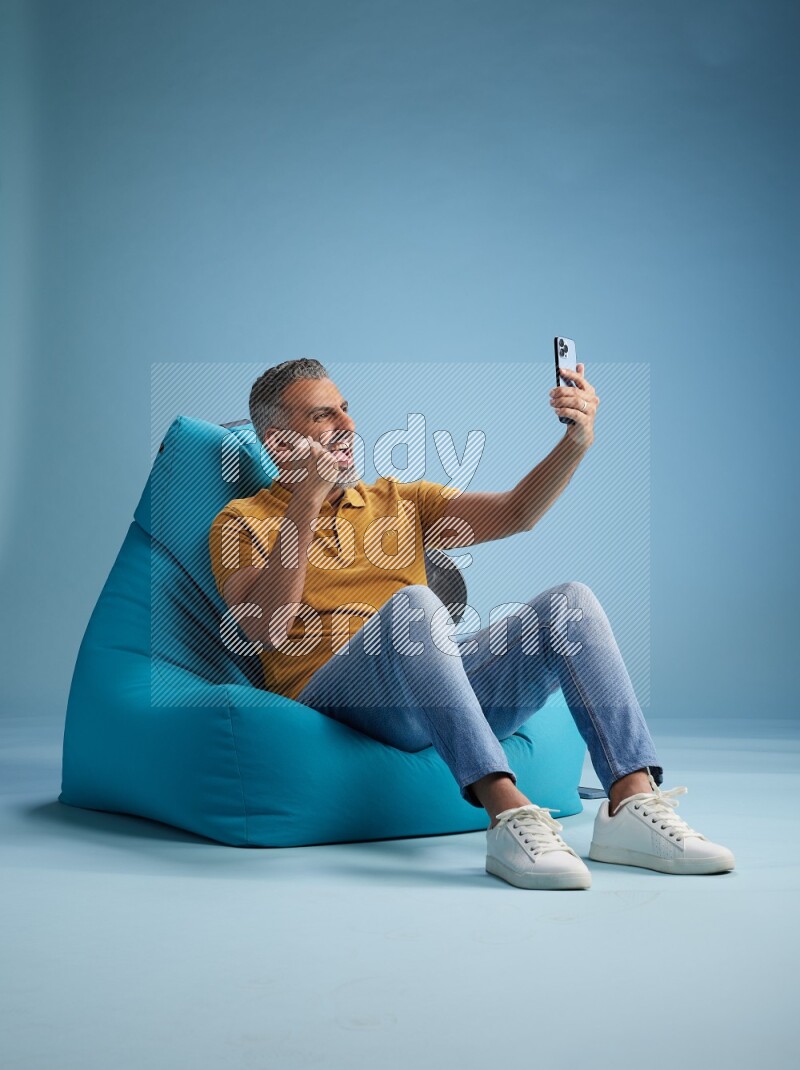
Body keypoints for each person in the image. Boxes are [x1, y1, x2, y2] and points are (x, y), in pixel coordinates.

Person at [208, 358, 735, 890]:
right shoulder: (239, 521)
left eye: (346, 410)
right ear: (279, 444)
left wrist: (575, 444)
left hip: (430, 694)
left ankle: (632, 802)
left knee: (570, 603)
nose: (347, 427)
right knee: (416, 604)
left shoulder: (398, 500)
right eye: (324, 416)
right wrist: (306, 497)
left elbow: (516, 513)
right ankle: (507, 813)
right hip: (339, 702)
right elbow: (266, 630)